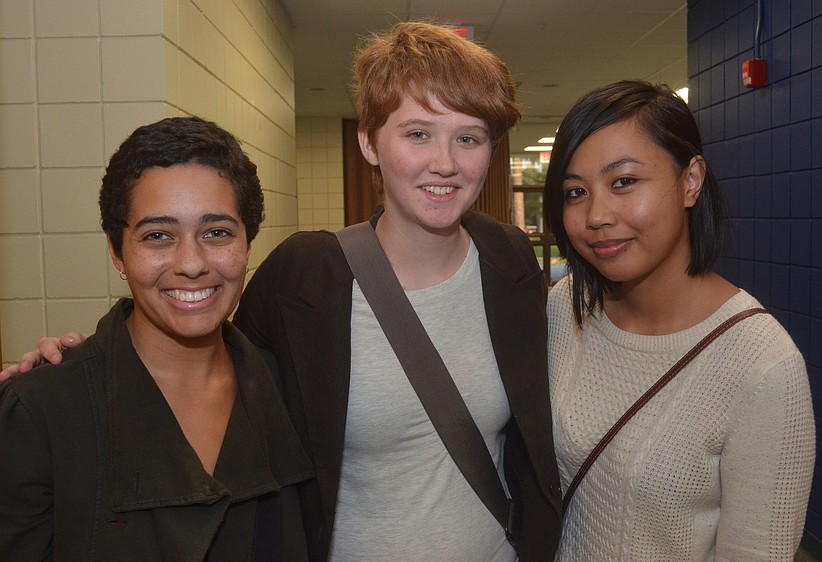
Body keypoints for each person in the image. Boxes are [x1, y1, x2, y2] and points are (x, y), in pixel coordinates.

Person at [1, 22, 562, 561]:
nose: (445, 162)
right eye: (418, 133)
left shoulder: (508, 261)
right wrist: (72, 372)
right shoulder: (305, 277)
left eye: (469, 138)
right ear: (369, 142)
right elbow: (201, 349)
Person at [0, 117, 313, 560]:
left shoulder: (291, 389)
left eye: (217, 232)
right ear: (116, 250)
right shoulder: (43, 411)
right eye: (158, 236)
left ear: (248, 244)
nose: (190, 263)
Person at [542, 80, 816, 561]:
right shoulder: (563, 309)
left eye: (623, 181)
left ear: (690, 180)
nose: (596, 215)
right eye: (575, 192)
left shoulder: (763, 365)